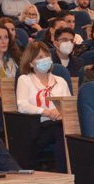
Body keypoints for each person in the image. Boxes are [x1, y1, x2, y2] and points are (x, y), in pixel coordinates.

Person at [16, 41, 69, 171]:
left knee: (64, 131)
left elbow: (69, 104)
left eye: (46, 56)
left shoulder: (60, 81)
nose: (44, 59)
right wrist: (45, 112)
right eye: (40, 57)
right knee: (60, 131)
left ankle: (68, 172)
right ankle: (62, 173)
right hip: (38, 126)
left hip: (61, 123)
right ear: (30, 63)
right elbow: (22, 105)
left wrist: (60, 112)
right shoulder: (24, 80)